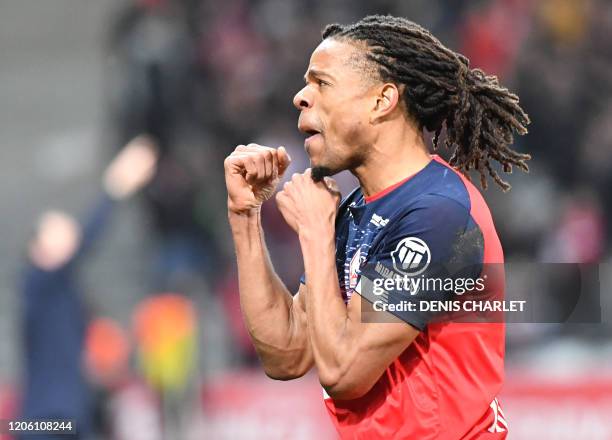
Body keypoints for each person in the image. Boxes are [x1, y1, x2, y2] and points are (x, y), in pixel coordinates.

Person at [224, 15, 530, 439]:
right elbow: (287, 354)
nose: (300, 97)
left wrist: (315, 231)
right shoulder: (357, 211)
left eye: (321, 83)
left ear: (382, 100)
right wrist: (245, 216)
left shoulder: (439, 214)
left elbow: (345, 372)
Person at [20, 136, 157, 439]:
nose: (70, 234)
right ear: (37, 248)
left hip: (70, 417)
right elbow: (86, 239)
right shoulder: (38, 282)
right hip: (45, 419)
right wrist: (115, 185)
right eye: (58, 230)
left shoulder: (63, 292)